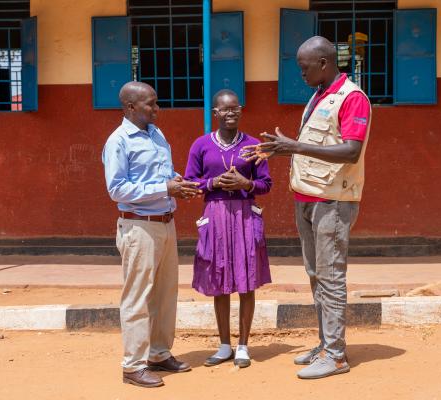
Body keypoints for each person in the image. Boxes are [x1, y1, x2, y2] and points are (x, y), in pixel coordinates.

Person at [243, 36, 371, 379]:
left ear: (324, 64)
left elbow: (351, 151)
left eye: (304, 67)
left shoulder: (352, 98)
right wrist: (279, 150)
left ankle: (336, 355)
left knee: (331, 277)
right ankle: (325, 344)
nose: (300, 73)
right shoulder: (318, 96)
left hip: (333, 201)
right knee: (316, 276)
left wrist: (294, 145)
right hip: (308, 197)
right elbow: (313, 146)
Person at [102, 81, 202, 388]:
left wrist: (176, 185)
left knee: (164, 293)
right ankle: (133, 365)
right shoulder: (118, 141)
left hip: (165, 222)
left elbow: (161, 176)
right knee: (138, 297)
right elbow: (117, 188)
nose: (157, 109)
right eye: (150, 104)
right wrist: (164, 188)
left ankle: (159, 353)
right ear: (131, 107)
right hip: (138, 227)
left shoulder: (156, 134)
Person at [184, 89, 272, 368]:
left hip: (245, 214)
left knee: (246, 279)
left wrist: (246, 185)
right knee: (219, 278)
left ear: (241, 110)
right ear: (215, 113)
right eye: (224, 109)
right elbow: (190, 181)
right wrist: (214, 183)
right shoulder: (201, 144)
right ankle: (224, 345)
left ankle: (243, 346)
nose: (230, 112)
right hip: (216, 214)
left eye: (235, 108)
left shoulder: (254, 144)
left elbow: (266, 184)